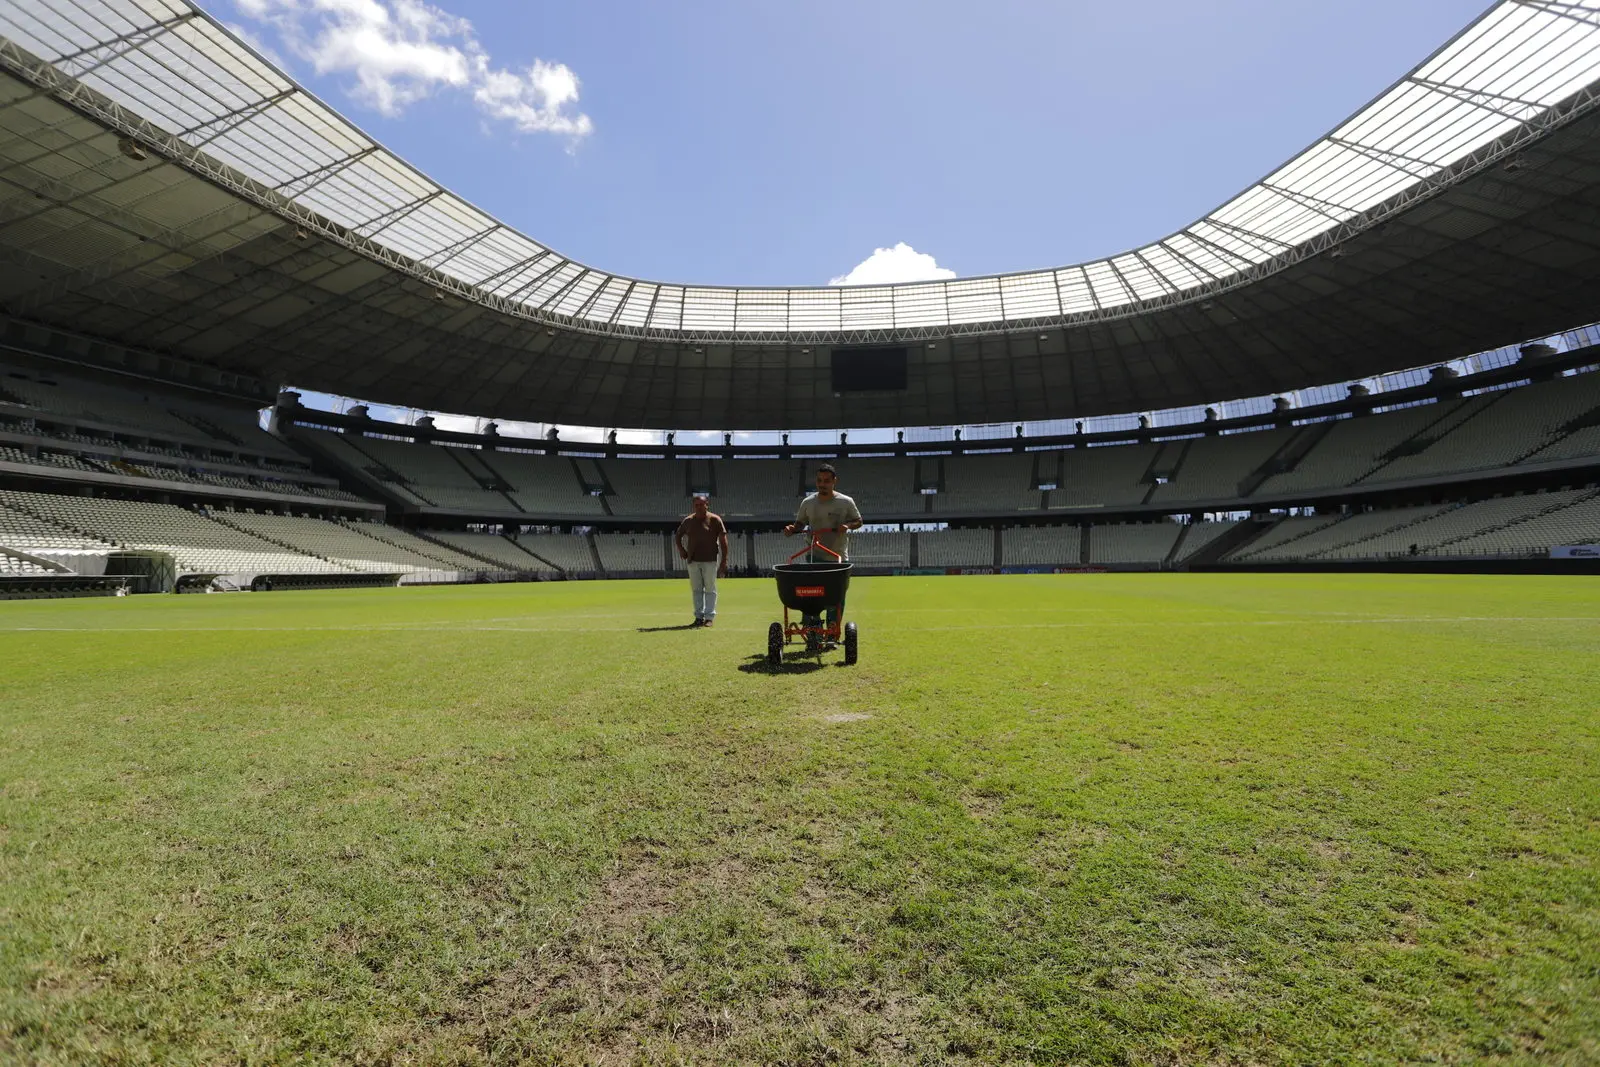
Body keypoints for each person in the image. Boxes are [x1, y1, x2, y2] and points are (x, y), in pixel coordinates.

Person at [784, 464, 863, 641]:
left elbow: (858, 521)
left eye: (827, 481)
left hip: (837, 557)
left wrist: (847, 526)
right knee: (810, 596)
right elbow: (800, 524)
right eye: (819, 481)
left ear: (834, 481)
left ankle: (832, 635)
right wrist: (792, 528)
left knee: (835, 599)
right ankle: (812, 632)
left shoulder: (845, 501)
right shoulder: (808, 502)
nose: (822, 484)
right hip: (814, 555)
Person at [675, 493, 728, 627]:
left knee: (710, 588)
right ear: (694, 506)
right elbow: (678, 535)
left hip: (710, 559)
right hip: (693, 560)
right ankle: (698, 617)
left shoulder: (715, 520)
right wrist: (681, 549)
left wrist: (724, 561)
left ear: (707, 505)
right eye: (696, 505)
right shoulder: (688, 521)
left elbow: (723, 540)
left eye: (701, 505)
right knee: (696, 589)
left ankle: (709, 617)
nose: (698, 507)